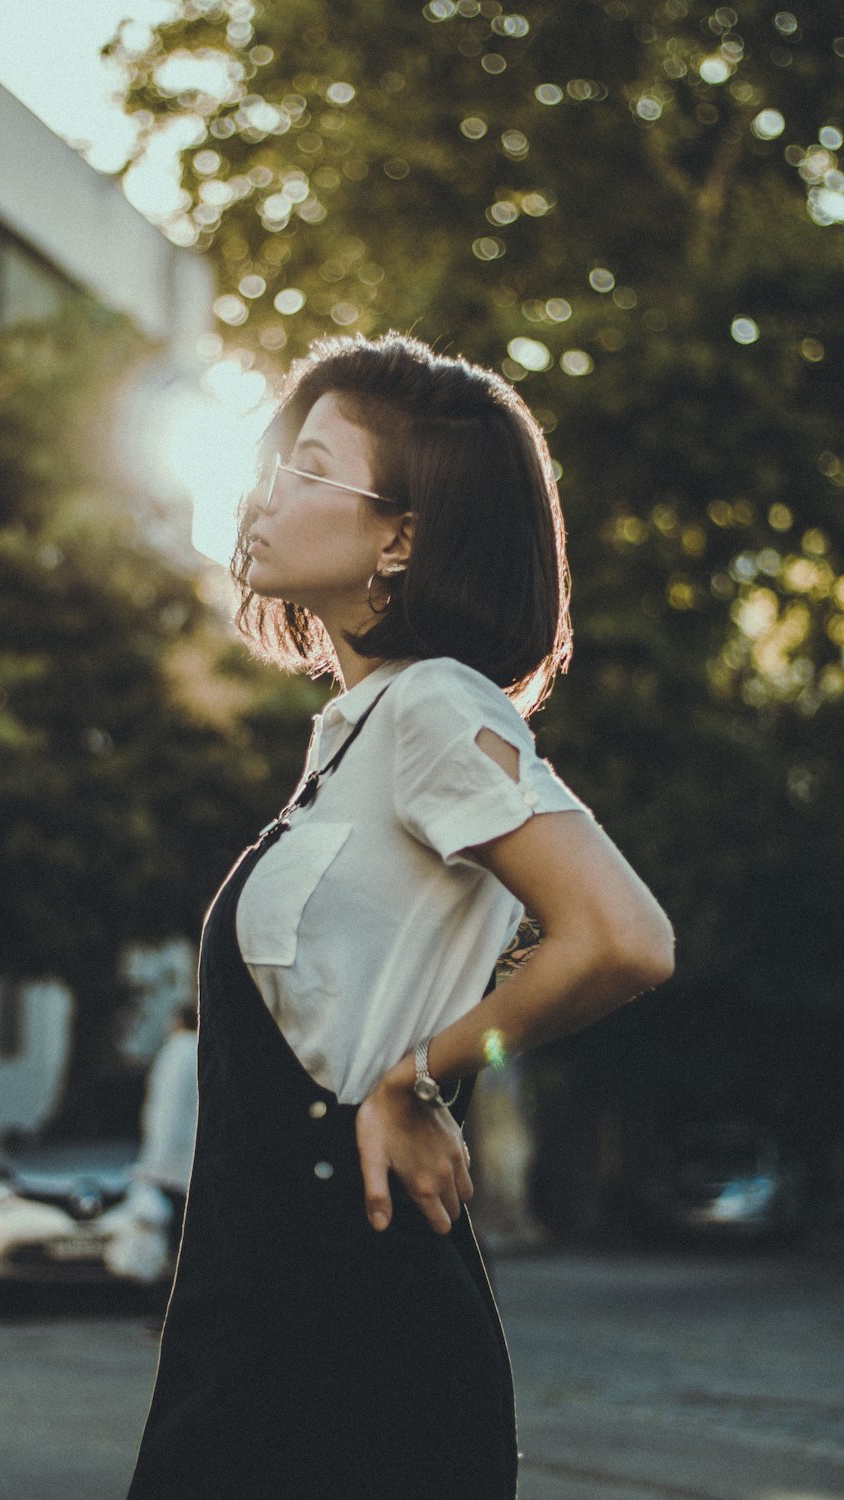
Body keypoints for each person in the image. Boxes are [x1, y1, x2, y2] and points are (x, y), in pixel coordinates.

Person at [126, 332, 674, 1499]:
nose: (261, 492)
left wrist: (415, 1076)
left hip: (354, 1339)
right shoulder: (355, 735)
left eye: (305, 466)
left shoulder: (431, 704)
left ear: (402, 534)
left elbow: (623, 937)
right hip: (261, 1314)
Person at [132, 1002, 199, 1257]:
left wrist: (152, 1164)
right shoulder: (203, 1049)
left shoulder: (178, 1051)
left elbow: (166, 1113)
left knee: (173, 1244)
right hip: (191, 1163)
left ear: (178, 1021)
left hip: (172, 1167)